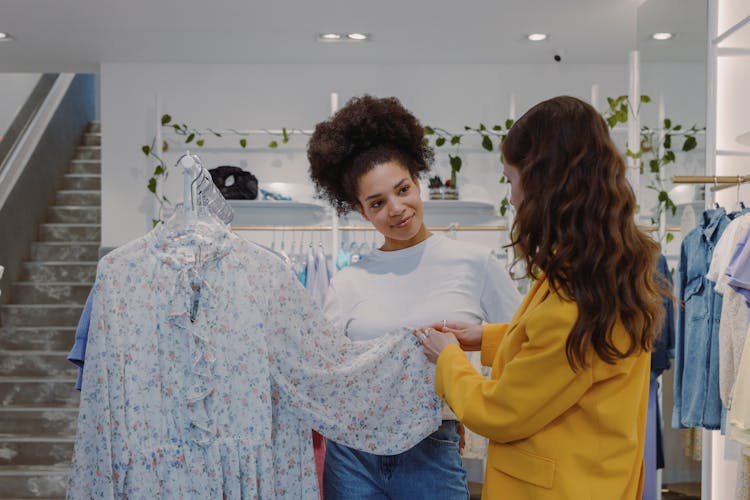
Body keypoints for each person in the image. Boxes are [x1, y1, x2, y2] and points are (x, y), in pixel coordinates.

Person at [416, 95, 668, 499]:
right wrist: (488, 339)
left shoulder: (576, 299)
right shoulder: (601, 271)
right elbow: (566, 362)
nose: (513, 198)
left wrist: (449, 358)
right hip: (594, 477)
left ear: (544, 184)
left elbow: (498, 411)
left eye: (511, 180)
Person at [307, 95, 521, 499]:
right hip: (352, 454)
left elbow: (521, 345)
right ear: (360, 210)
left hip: (431, 448)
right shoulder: (348, 281)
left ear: (417, 181)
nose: (397, 208)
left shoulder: (475, 264)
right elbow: (328, 371)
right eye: (377, 202)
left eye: (403, 189)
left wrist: (475, 405)